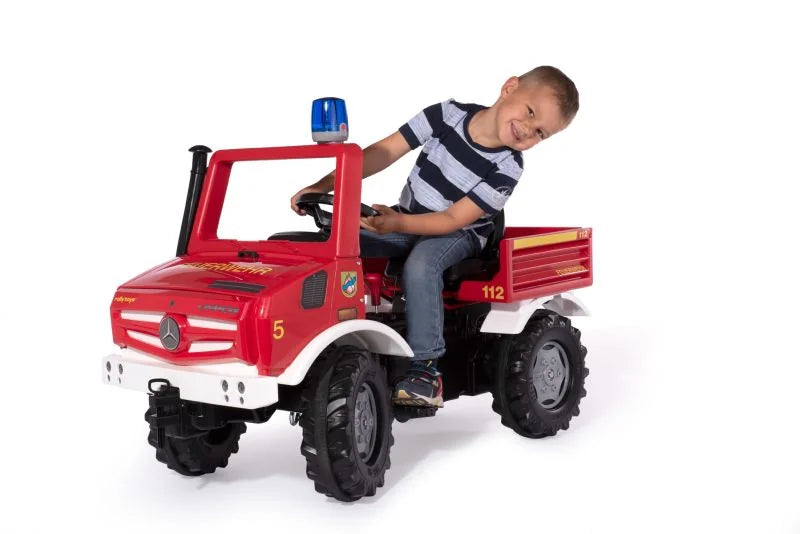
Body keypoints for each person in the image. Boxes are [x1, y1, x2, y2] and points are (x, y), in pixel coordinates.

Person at [290, 66, 579, 407]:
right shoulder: (447, 115)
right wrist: (324, 186)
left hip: (462, 234)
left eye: (541, 133)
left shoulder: (507, 167)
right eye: (530, 113)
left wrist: (397, 224)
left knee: (422, 264)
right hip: (409, 218)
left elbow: (452, 218)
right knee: (336, 242)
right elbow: (385, 151)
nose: (528, 130)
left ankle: (426, 370)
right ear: (509, 87)